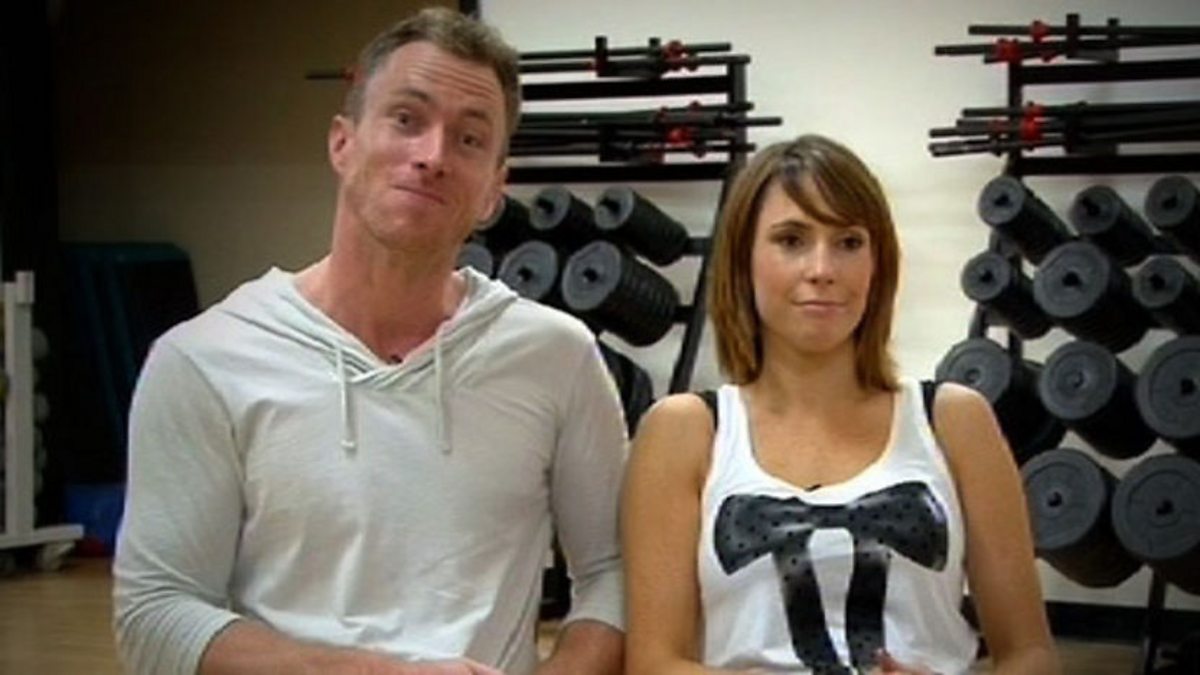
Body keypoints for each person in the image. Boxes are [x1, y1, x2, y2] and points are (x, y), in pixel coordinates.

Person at [113, 8, 627, 675]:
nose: (433, 156)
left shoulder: (558, 356)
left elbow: (613, 571)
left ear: (495, 190)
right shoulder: (203, 360)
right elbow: (156, 616)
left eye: (470, 139)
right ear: (342, 143)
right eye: (406, 119)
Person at [622, 134, 1058, 675]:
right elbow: (653, 663)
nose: (822, 268)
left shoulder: (954, 421)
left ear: (878, 264)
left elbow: (1032, 655)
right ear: (742, 260)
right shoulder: (685, 432)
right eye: (791, 240)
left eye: (849, 242)